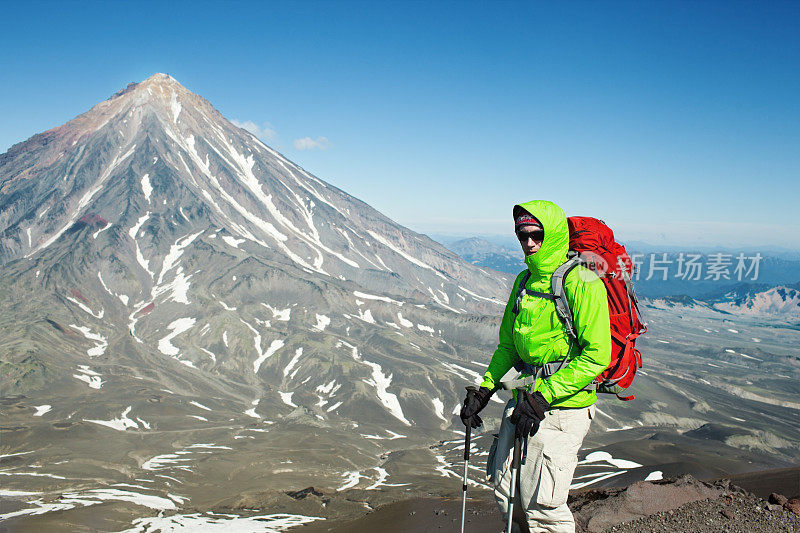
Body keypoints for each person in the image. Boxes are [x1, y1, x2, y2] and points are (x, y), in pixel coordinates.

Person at [460, 200, 611, 533]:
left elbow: (597, 355)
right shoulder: (524, 281)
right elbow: (509, 346)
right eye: (522, 235)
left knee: (541, 506)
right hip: (524, 402)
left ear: (554, 234)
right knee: (505, 492)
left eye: (536, 234)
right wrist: (485, 389)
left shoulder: (582, 283)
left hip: (561, 410)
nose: (528, 243)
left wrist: (543, 398)